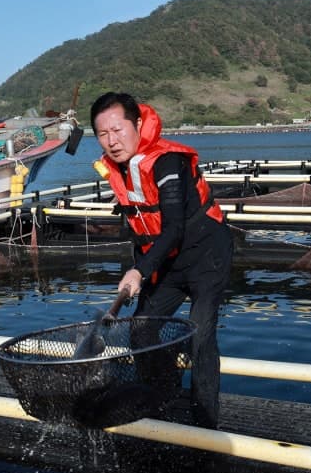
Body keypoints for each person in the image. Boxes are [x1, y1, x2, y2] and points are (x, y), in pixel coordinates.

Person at [91, 92, 233, 428]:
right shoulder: (121, 168)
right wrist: (140, 268)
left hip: (206, 256)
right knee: (141, 330)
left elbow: (173, 228)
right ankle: (162, 400)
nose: (112, 141)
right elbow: (141, 228)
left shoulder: (168, 162)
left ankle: (205, 423)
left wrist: (139, 271)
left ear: (138, 124)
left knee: (200, 335)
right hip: (167, 263)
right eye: (103, 134)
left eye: (118, 130)